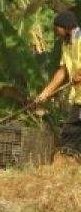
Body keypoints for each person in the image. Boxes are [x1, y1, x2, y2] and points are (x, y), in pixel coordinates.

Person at [33, 9, 81, 154]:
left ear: (66, 27)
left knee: (70, 133)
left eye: (57, 29)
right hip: (78, 98)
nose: (56, 32)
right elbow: (63, 71)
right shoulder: (66, 44)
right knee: (71, 134)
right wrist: (46, 92)